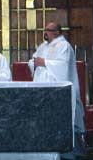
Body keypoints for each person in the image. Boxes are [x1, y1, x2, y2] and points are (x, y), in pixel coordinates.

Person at [28, 22, 85, 157]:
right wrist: (35, 63)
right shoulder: (43, 46)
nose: (45, 33)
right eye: (45, 30)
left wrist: (45, 63)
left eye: (48, 30)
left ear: (57, 32)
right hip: (42, 90)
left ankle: (67, 153)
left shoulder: (63, 46)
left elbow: (62, 66)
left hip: (59, 92)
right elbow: (33, 61)